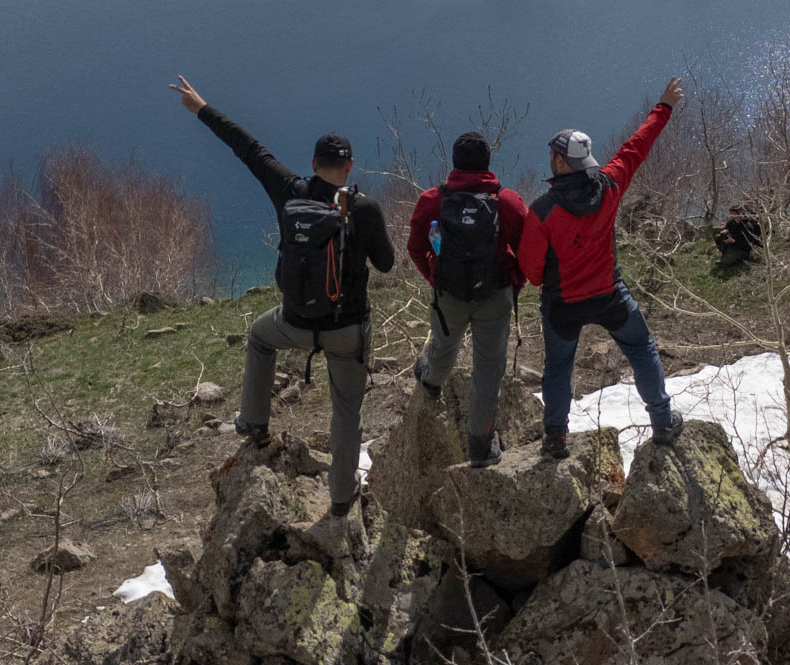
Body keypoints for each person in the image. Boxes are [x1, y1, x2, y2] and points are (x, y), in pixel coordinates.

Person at [169, 76, 394, 516]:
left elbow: (250, 149)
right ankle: (342, 500)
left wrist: (203, 108)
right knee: (346, 411)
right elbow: (385, 265)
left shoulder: (291, 190)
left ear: (313, 162)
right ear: (349, 167)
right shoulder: (363, 208)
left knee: (258, 337)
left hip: (293, 322)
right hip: (347, 330)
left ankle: (254, 424)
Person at [518, 78, 686, 460]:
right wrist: (664, 106)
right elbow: (637, 146)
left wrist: (550, 277)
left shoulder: (542, 211)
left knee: (559, 367)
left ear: (561, 162)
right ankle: (662, 421)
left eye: (552, 154)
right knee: (641, 348)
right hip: (609, 295)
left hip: (562, 304)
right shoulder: (610, 185)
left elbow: (530, 271)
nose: (550, 159)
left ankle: (556, 439)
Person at [407, 131, 527, 467]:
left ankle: (431, 381)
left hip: (449, 295)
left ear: (455, 164)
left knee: (444, 347)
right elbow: (529, 250)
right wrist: (515, 281)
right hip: (494, 297)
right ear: (488, 163)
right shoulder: (508, 202)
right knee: (488, 371)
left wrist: (435, 276)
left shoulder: (434, 199)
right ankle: (479, 445)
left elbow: (416, 247)